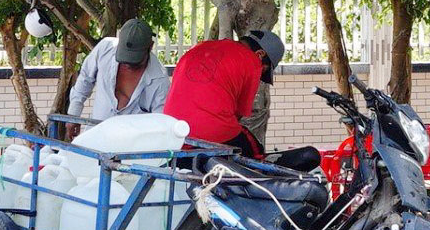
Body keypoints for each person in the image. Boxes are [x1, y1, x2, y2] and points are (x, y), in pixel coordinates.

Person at [164, 29, 285, 157]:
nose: (260, 74)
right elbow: (239, 114)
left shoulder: (199, 47)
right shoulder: (252, 61)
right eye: (264, 70)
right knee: (255, 151)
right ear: (260, 54)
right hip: (210, 134)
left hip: (173, 131)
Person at [66, 17, 169, 121]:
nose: (127, 65)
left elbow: (159, 121)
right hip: (97, 131)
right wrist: (73, 115)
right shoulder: (105, 48)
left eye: (134, 59)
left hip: (132, 136)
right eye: (124, 58)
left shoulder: (159, 80)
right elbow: (85, 78)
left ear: (150, 46)